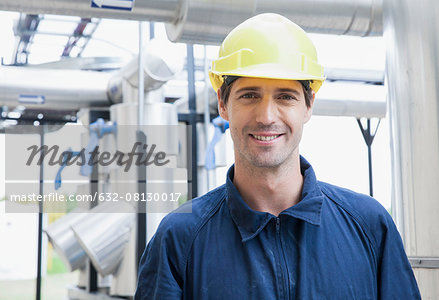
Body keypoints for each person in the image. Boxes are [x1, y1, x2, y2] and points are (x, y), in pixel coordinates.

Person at [135, 13, 421, 299]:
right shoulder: (179, 239)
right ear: (223, 103)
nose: (267, 116)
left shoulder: (369, 226)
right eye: (249, 95)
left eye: (285, 96)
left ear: (308, 106)